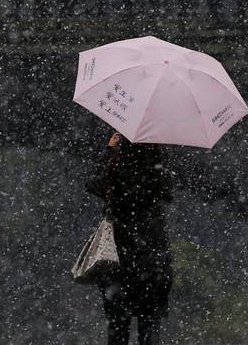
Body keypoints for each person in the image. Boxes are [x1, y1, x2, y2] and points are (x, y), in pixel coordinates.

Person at [87, 131, 173, 345]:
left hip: (119, 258)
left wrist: (108, 151)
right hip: (152, 261)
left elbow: (92, 183)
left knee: (118, 327)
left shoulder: (115, 169)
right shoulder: (157, 171)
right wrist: (158, 154)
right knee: (149, 328)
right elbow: (168, 192)